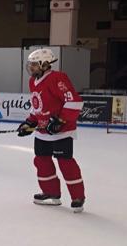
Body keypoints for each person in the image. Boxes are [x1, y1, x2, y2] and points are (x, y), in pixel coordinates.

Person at [17, 48, 86, 212]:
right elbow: (37, 105)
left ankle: (77, 196)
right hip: (42, 132)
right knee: (41, 161)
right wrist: (29, 122)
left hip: (61, 131)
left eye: (34, 64)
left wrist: (60, 121)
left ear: (45, 64)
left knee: (66, 163)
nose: (31, 68)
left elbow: (73, 101)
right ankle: (51, 193)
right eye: (30, 64)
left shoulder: (57, 78)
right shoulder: (32, 81)